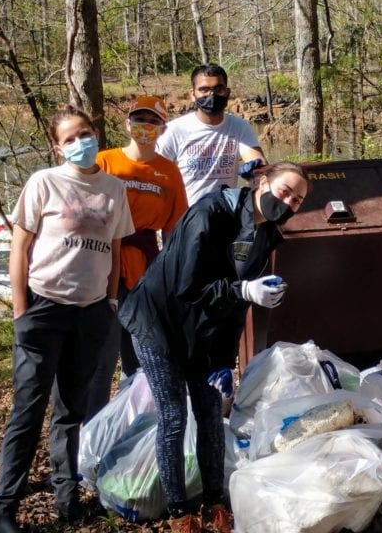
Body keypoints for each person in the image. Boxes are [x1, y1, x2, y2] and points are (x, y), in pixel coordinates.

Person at [119, 160, 308, 533]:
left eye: (298, 201)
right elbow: (186, 287)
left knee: (209, 412)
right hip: (158, 323)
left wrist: (223, 361)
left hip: (200, 334)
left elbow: (236, 308)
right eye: (284, 191)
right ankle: (179, 512)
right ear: (261, 181)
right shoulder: (211, 213)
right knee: (173, 416)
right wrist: (242, 289)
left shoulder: (266, 234)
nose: (287, 202)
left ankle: (214, 501)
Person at [0, 106, 134, 533]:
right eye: (69, 139)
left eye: (84, 134)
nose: (79, 143)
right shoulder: (44, 182)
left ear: (96, 135)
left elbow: (113, 249)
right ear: (58, 146)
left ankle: (66, 498)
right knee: (29, 410)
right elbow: (20, 248)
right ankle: (5, 506)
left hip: (90, 314)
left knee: (71, 411)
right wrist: (21, 309)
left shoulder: (113, 188)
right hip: (44, 308)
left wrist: (109, 303)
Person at [85, 95, 189, 419]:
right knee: (101, 357)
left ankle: (133, 431)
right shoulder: (105, 161)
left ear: (163, 127)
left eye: (153, 121)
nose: (145, 127)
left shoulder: (168, 172)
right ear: (127, 123)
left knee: (141, 357)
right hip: (102, 267)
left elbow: (175, 230)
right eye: (139, 120)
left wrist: (171, 280)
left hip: (146, 270)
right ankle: (92, 434)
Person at [157, 63, 265, 204]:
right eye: (204, 89)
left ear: (227, 92)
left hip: (225, 213)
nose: (211, 95)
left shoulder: (239, 127)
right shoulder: (174, 130)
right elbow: (155, 174)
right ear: (193, 94)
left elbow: (257, 163)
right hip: (185, 215)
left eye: (218, 89)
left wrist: (255, 173)